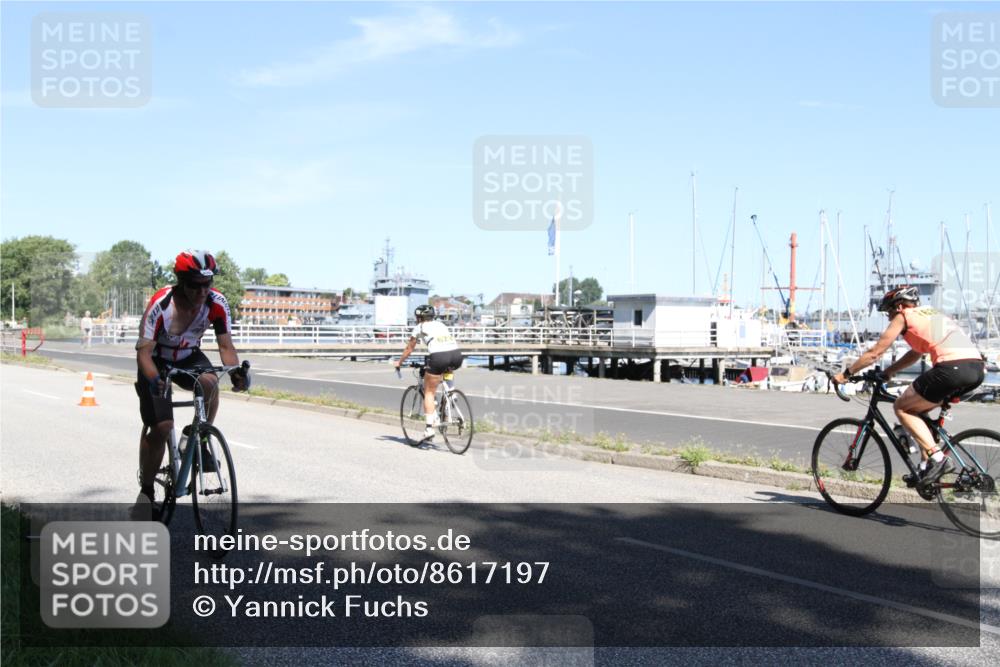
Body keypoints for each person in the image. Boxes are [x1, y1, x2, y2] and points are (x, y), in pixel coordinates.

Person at [133, 250, 249, 515]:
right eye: (195, 285)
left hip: (188, 356)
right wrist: (154, 380)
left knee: (210, 381)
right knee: (162, 427)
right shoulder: (161, 304)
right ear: (181, 281)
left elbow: (225, 345)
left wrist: (235, 373)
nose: (202, 291)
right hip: (156, 360)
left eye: (207, 284)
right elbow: (143, 352)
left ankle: (200, 436)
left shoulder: (217, 302)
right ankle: (147, 491)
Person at [833, 286, 985, 487]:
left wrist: (846, 374)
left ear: (899, 305)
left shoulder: (903, 315)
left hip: (951, 369)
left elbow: (875, 353)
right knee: (917, 413)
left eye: (888, 312)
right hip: (976, 369)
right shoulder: (931, 314)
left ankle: (938, 460)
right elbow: (915, 352)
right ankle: (925, 468)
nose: (888, 318)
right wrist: (891, 371)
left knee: (902, 407)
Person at [394, 305, 463, 441]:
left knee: (429, 392)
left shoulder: (419, 327)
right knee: (447, 370)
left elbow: (409, 348)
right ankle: (451, 393)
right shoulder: (441, 324)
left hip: (439, 357)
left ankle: (429, 428)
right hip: (456, 355)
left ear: (419, 317)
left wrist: (399, 362)